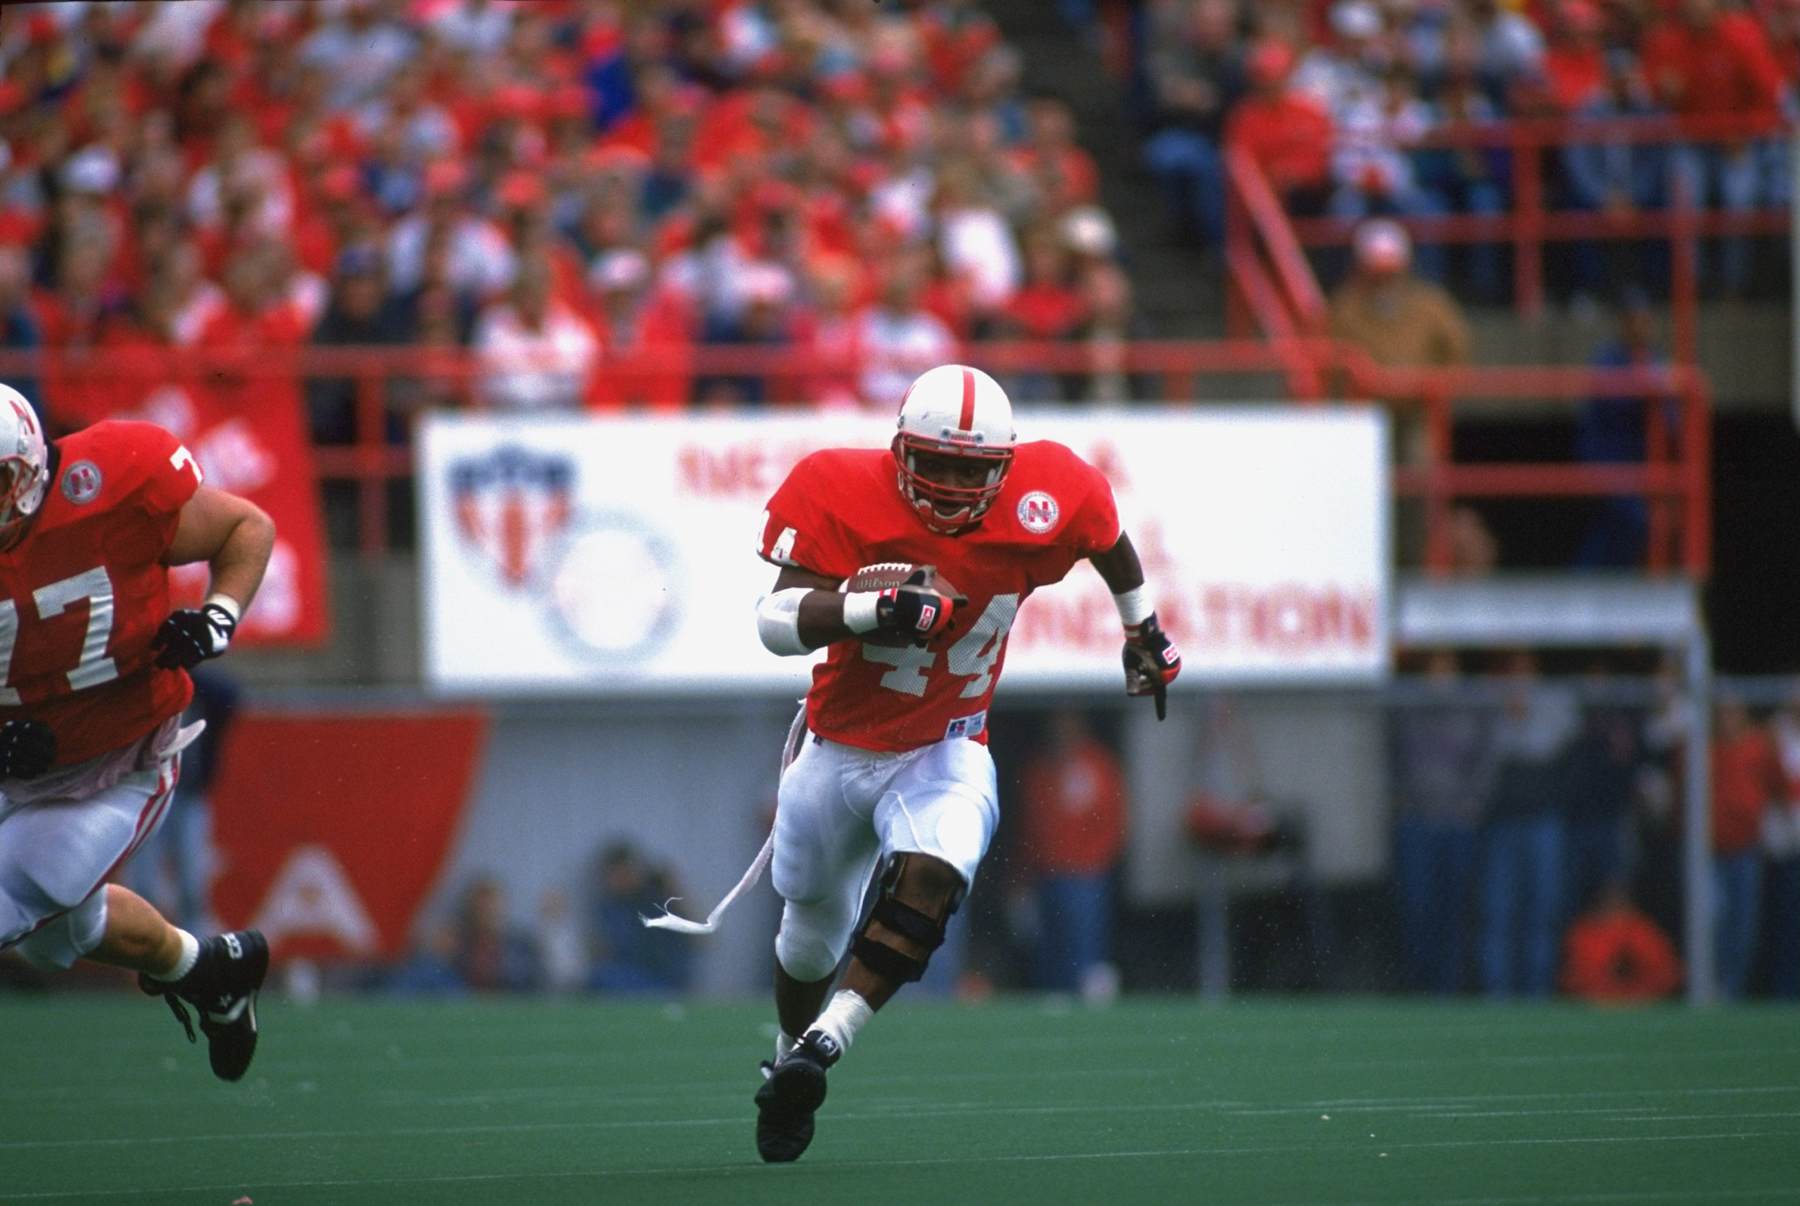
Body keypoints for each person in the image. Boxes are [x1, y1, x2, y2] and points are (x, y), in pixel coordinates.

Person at [654, 364, 1180, 1162]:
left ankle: (824, 1047)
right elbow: (774, 620)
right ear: (899, 449)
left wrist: (1140, 628)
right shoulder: (837, 483)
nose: (948, 484)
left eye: (970, 470)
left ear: (1004, 468)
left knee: (938, 869)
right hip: (837, 749)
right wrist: (876, 608)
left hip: (947, 743)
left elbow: (1108, 540)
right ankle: (789, 1053)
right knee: (807, 937)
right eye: (932, 462)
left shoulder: (1053, 491)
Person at [0, 383, 276, 1081]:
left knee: (27, 888)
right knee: (61, 932)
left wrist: (217, 615)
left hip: (114, 762)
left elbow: (246, 527)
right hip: (13, 765)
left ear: (30, 469)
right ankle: (208, 969)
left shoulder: (112, 481)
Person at [1018, 710, 1129, 997]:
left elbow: (1113, 819)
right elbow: (1031, 824)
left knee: (1084, 946)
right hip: (1047, 873)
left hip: (1086, 874)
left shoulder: (1097, 764)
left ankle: (1087, 1004)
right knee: (1049, 945)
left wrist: (1096, 859)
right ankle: (1055, 1002)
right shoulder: (1041, 768)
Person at [1560, 878, 1682, 1003]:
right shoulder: (1583, 934)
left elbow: (1666, 975)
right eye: (1608, 901)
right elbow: (1575, 980)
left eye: (1618, 901)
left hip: (1642, 1002)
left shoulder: (1643, 932)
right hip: (1596, 1002)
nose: (1613, 905)